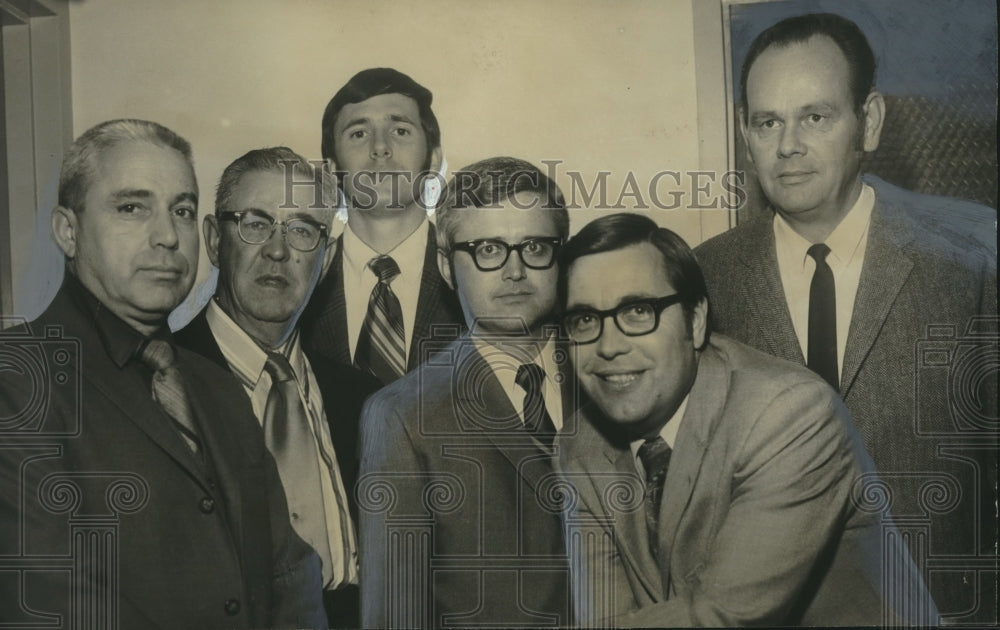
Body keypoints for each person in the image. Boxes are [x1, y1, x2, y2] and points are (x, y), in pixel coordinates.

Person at [694, 13, 997, 622]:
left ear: (871, 121)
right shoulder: (705, 279)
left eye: (816, 116)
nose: (788, 146)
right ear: (743, 133)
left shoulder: (973, 256)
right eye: (767, 121)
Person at [0, 120, 325, 628]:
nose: (169, 236)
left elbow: (289, 571)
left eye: (182, 210)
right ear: (68, 230)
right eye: (132, 207)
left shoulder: (213, 383)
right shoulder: (16, 381)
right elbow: (49, 600)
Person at [557, 212, 937, 626]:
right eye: (584, 320)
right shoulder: (580, 445)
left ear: (696, 321)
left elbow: (723, 617)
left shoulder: (790, 414)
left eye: (637, 311)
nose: (608, 346)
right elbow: (603, 617)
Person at [357, 157, 574, 628]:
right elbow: (396, 614)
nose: (515, 271)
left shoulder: (614, 374)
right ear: (445, 265)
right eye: (488, 249)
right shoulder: (402, 415)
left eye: (535, 246)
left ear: (562, 254)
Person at [173, 147, 382, 627]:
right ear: (212, 240)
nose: (278, 250)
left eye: (303, 230)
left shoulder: (365, 400)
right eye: (255, 222)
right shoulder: (159, 382)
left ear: (326, 258)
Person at [301, 68, 464, 386]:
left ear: (433, 160)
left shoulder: (473, 276)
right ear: (332, 170)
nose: (380, 148)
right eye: (358, 134)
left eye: (400, 131)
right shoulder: (300, 279)